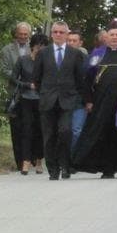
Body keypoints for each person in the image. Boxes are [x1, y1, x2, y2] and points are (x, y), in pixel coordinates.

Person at [73, 19, 117, 178]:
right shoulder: (97, 55)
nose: (114, 37)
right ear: (106, 36)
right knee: (106, 135)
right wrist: (88, 100)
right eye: (111, 34)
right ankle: (108, 169)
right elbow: (87, 80)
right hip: (103, 103)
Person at [33, 20, 87, 180]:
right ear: (51, 34)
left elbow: (79, 79)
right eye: (55, 32)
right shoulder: (43, 53)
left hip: (68, 100)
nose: (58, 35)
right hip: (47, 100)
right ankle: (53, 169)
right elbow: (37, 78)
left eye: (61, 32)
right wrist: (44, 93)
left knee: (65, 131)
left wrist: (78, 97)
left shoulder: (75, 54)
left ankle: (65, 165)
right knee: (49, 136)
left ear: (66, 34)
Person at [12, 33, 46, 174]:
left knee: (40, 131)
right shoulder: (23, 60)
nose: (39, 49)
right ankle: (25, 161)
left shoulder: (46, 62)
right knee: (26, 130)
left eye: (43, 47)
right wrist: (27, 85)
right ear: (32, 46)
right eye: (38, 46)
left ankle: (39, 160)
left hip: (42, 100)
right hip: (26, 99)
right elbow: (13, 79)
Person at [0, 22, 32, 169]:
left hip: (32, 93)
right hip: (15, 93)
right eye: (21, 34)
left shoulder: (35, 48)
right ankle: (19, 161)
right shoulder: (7, 50)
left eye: (26, 34)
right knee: (16, 128)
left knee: (30, 127)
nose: (23, 37)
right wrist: (18, 80)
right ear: (16, 34)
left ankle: (30, 158)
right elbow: (4, 69)